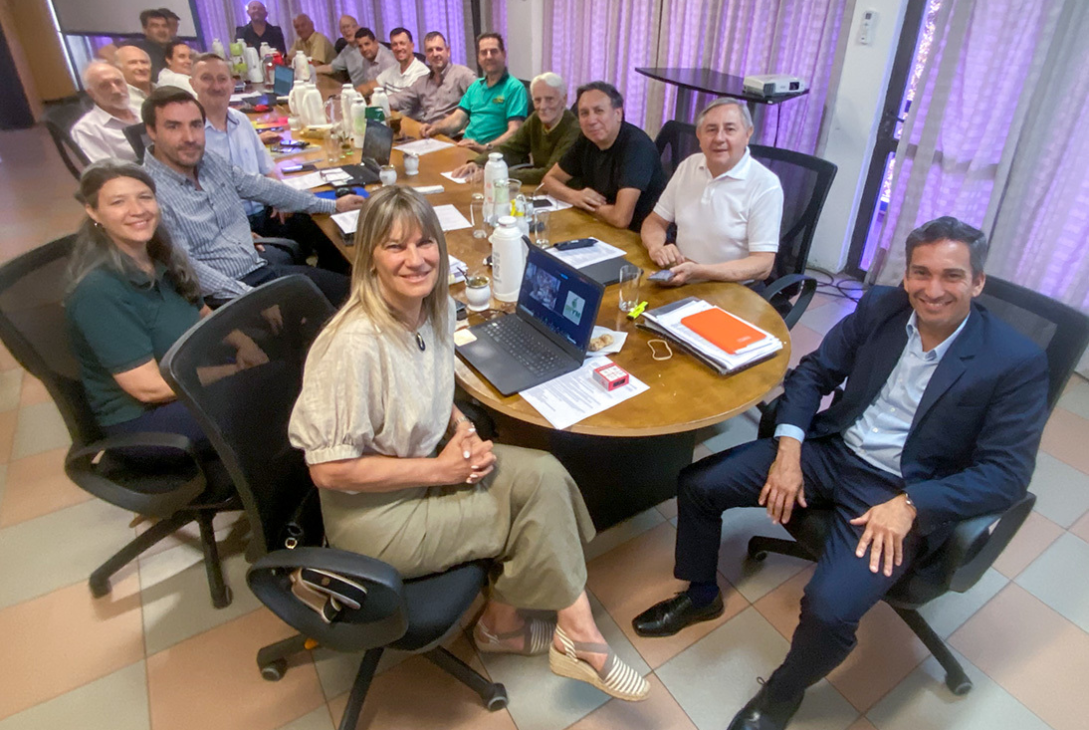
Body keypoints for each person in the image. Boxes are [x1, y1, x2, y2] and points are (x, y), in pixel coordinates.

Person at [632, 216, 1050, 730]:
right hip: (832, 450)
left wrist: (912, 505)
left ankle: (782, 694)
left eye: (952, 276)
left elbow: (1006, 474)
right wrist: (789, 452)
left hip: (900, 490)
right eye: (921, 273)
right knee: (699, 484)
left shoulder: (1015, 361)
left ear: (978, 282)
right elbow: (813, 373)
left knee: (829, 609)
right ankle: (700, 596)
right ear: (906, 275)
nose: (933, 289)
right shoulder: (881, 307)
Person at [288, 186, 651, 703]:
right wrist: (441, 471)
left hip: (425, 468)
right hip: (378, 518)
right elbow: (329, 471)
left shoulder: (430, 307)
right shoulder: (353, 345)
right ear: (369, 258)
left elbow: (431, 385)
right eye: (395, 247)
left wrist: (463, 429)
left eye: (424, 242)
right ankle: (581, 639)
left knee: (544, 473)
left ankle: (505, 626)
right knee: (526, 510)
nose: (415, 259)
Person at [65, 160, 266, 457]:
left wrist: (245, 343)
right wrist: (231, 371)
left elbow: (203, 314)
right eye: (118, 202)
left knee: (284, 374)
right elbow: (149, 388)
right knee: (272, 402)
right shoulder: (98, 290)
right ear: (93, 212)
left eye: (144, 197)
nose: (137, 209)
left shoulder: (159, 255)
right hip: (147, 420)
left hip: (190, 380)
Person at [140, 87, 363, 306]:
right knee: (356, 297)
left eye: (196, 125)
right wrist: (253, 299)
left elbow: (261, 187)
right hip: (230, 295)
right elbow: (188, 269)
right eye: (173, 126)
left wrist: (332, 205)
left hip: (255, 268)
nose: (189, 137)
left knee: (350, 285)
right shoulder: (148, 194)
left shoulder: (209, 161)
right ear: (151, 131)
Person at [191, 53, 346, 271]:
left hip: (265, 211)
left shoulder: (241, 120)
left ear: (232, 83)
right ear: (192, 84)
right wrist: (232, 231)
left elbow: (267, 168)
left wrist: (280, 200)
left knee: (328, 228)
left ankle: (326, 276)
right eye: (207, 78)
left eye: (222, 79)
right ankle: (308, 279)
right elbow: (194, 201)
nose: (216, 86)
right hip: (232, 224)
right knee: (288, 259)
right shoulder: (191, 136)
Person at [641, 98, 783, 285]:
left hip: (730, 289)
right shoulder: (689, 166)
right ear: (699, 135)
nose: (719, 138)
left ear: (747, 134)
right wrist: (656, 248)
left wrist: (700, 271)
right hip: (681, 276)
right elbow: (655, 221)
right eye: (711, 129)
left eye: (730, 129)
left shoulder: (765, 184)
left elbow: (763, 264)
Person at [541, 81, 667, 232]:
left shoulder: (637, 147)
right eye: (584, 113)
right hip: (602, 225)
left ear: (618, 114)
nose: (591, 120)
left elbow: (621, 219)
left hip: (639, 236)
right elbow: (548, 181)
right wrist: (575, 196)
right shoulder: (587, 139)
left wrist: (585, 205)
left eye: (599, 111)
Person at [452, 72, 579, 186]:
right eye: (537, 100)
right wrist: (478, 162)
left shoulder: (574, 129)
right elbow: (510, 148)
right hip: (540, 188)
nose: (542, 106)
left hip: (566, 192)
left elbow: (550, 174)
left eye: (550, 99)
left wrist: (497, 174)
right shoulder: (536, 118)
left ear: (564, 99)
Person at [419, 33, 527, 151]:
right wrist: (435, 128)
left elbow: (515, 130)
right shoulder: (476, 86)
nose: (489, 56)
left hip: (493, 154)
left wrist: (485, 147)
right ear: (478, 58)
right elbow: (457, 120)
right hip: (466, 148)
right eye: (484, 52)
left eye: (493, 51)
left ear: (504, 54)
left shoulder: (514, 88)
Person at [388, 31, 475, 126]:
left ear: (448, 51)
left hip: (452, 132)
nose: (435, 54)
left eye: (439, 49)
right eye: (430, 50)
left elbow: (482, 102)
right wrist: (380, 102)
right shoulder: (422, 82)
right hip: (426, 130)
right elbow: (400, 98)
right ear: (426, 55)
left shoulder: (462, 75)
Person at [72, 62, 142, 164]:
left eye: (118, 82)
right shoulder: (87, 129)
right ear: (91, 93)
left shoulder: (142, 111)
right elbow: (108, 170)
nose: (116, 90)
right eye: (104, 86)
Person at [315, 27, 395, 95]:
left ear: (376, 43)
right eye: (360, 46)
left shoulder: (388, 61)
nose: (364, 49)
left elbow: (388, 93)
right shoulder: (365, 61)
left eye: (367, 44)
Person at [374, 28, 428, 95]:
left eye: (402, 43)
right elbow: (371, 86)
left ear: (412, 46)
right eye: (395, 44)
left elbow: (405, 100)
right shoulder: (392, 69)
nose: (399, 48)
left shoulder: (422, 74)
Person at [134, 8, 171, 77]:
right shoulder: (139, 51)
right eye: (155, 26)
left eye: (164, 26)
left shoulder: (174, 49)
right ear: (145, 30)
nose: (161, 30)